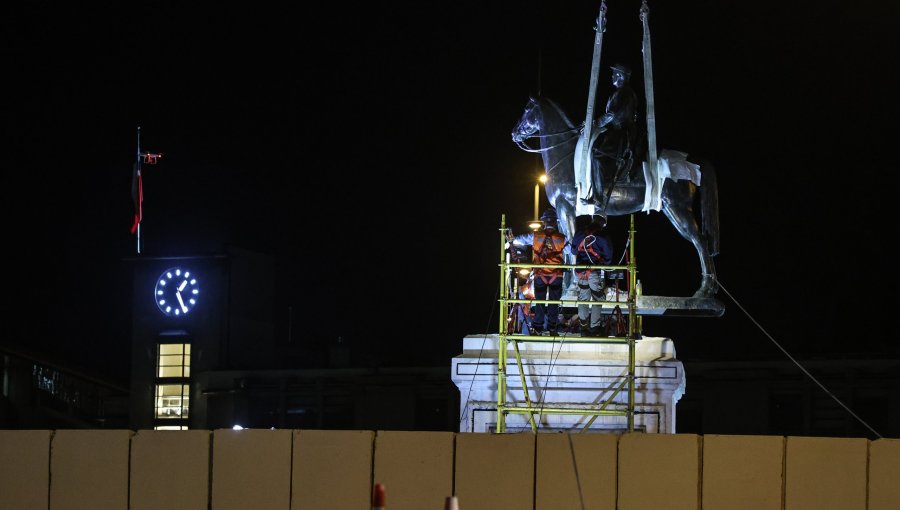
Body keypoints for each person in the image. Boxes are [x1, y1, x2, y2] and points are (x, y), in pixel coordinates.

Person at [508, 208, 567, 336]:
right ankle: (552, 329)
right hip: (556, 275)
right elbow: (570, 251)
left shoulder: (535, 236)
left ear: (544, 222)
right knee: (554, 304)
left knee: (540, 302)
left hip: (540, 275)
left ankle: (538, 329)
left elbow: (520, 240)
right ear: (556, 222)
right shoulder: (562, 238)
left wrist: (511, 241)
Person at [591, 63, 638, 205]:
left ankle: (597, 197)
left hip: (621, 133)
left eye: (614, 74)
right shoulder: (623, 92)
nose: (612, 76)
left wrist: (594, 124)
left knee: (596, 159)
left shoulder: (623, 93)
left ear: (620, 76)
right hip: (618, 131)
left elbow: (611, 114)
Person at [570, 214, 613, 337]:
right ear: (603, 223)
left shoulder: (580, 233)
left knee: (583, 298)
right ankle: (595, 328)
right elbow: (608, 258)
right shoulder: (603, 236)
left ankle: (583, 328)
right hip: (595, 272)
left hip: (580, 271)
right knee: (597, 299)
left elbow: (573, 251)